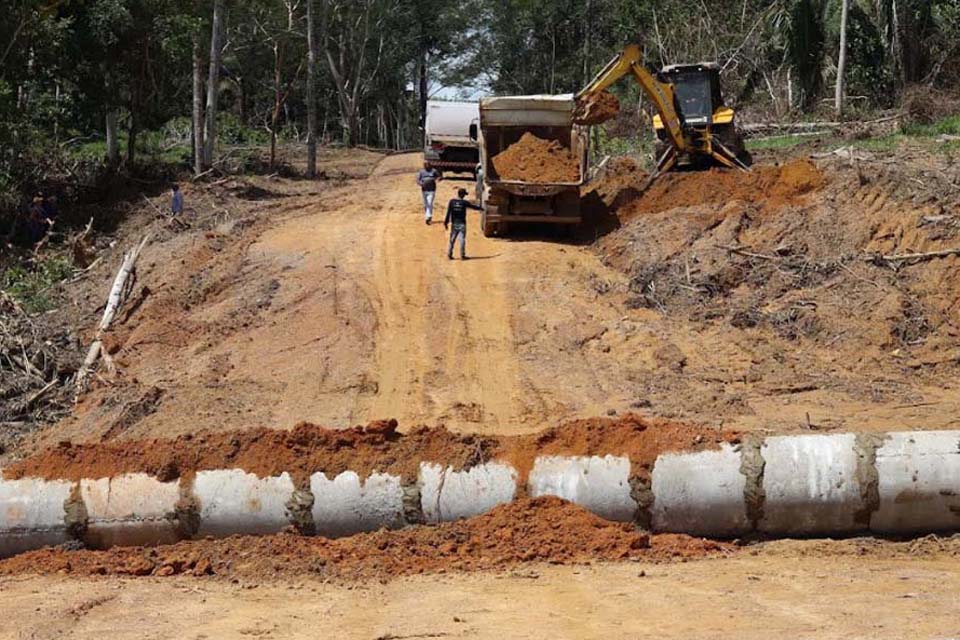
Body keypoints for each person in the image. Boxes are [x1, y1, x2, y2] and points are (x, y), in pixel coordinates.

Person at [444, 188, 482, 260]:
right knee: (462, 240)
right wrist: (481, 208)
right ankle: (462, 255)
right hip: (462, 224)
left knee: (452, 239)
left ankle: (449, 254)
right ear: (463, 195)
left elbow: (448, 212)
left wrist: (446, 222)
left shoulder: (452, 202)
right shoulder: (464, 202)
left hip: (454, 223)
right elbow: (473, 207)